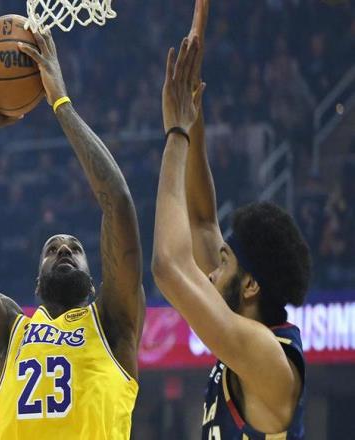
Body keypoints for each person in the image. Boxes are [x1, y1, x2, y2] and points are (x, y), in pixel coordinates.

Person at [0, 30, 144, 440]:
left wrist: (61, 103)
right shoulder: (8, 333)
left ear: (94, 281)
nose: (64, 249)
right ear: (36, 281)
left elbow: (117, 202)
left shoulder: (114, 325)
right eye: (52, 249)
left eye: (75, 248)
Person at [151, 1, 310, 438]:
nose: (210, 271)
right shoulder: (248, 332)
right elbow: (203, 221)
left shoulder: (267, 357)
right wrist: (192, 109)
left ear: (250, 285)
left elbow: (168, 266)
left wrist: (176, 133)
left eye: (223, 263)